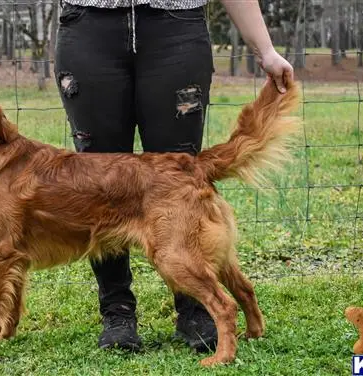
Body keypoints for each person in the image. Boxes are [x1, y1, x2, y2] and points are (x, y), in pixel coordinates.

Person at [53, 0, 294, 353]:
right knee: (98, 183)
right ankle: (117, 313)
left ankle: (195, 311)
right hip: (88, 28)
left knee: (180, 177)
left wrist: (266, 49)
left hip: (175, 27)